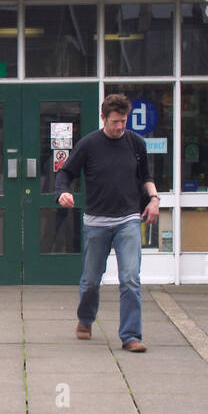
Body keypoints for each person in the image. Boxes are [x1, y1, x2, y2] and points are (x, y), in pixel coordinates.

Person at [55, 93, 159, 351]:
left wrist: (154, 198)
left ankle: (131, 336)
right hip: (96, 222)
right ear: (103, 118)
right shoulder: (89, 144)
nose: (120, 126)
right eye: (115, 121)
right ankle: (86, 318)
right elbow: (66, 173)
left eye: (123, 121)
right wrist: (63, 193)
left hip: (128, 220)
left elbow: (146, 175)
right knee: (91, 279)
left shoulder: (135, 144)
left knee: (130, 278)